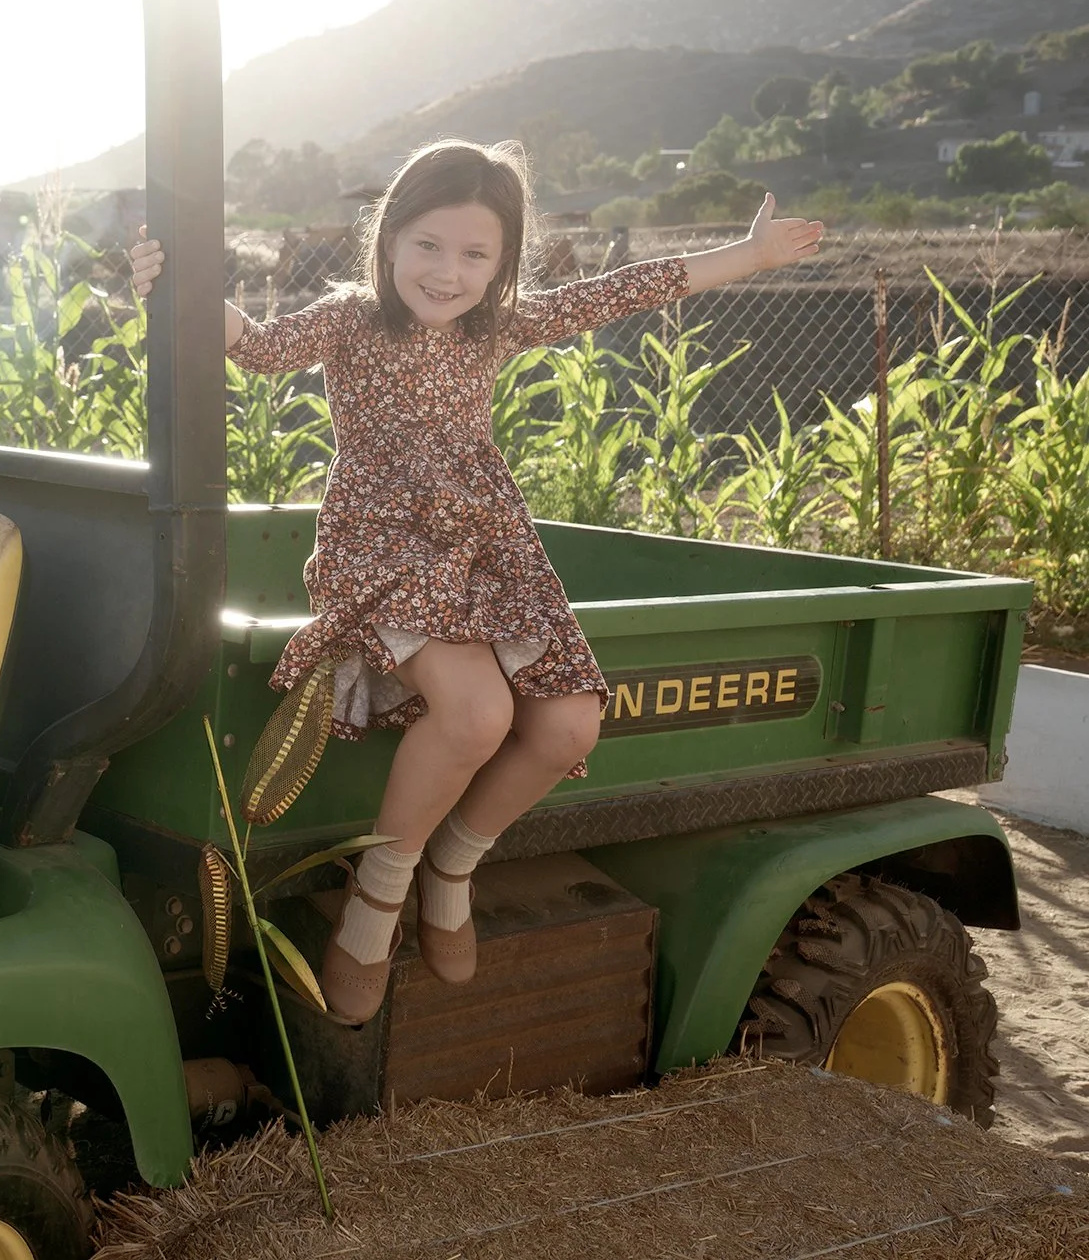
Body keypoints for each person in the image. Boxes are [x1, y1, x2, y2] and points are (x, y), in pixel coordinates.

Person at [130, 140, 822, 1024]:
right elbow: (256, 348)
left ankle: (452, 860)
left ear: (499, 265)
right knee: (478, 712)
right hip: (382, 537)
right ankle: (379, 890)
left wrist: (752, 254)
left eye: (473, 254)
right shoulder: (351, 319)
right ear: (388, 241)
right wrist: (178, 282)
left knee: (570, 718)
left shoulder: (494, 327)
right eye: (426, 244)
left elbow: (620, 291)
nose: (445, 272)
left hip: (485, 540)